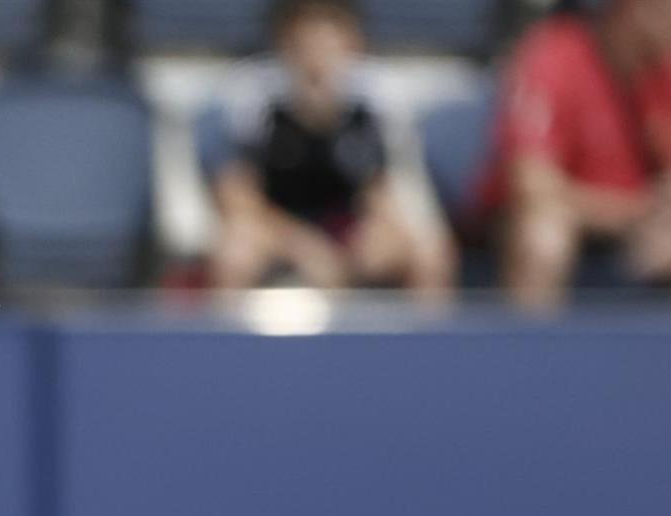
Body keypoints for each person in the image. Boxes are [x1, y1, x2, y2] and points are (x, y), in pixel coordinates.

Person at [208, 0, 455, 300]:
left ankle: (422, 346)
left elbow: (380, 192)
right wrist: (304, 247)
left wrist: (372, 236)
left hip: (348, 225)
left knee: (429, 252)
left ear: (352, 41)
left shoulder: (375, 96)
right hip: (277, 226)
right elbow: (238, 199)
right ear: (286, 40)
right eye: (306, 37)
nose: (318, 51)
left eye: (330, 36)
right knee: (236, 251)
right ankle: (227, 347)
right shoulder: (252, 94)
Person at [480, 0, 671, 308]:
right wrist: (640, 212)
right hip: (555, 223)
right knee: (544, 235)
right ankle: (528, 353)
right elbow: (533, 188)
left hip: (641, 231)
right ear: (628, 10)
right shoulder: (553, 55)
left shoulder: (664, 72)